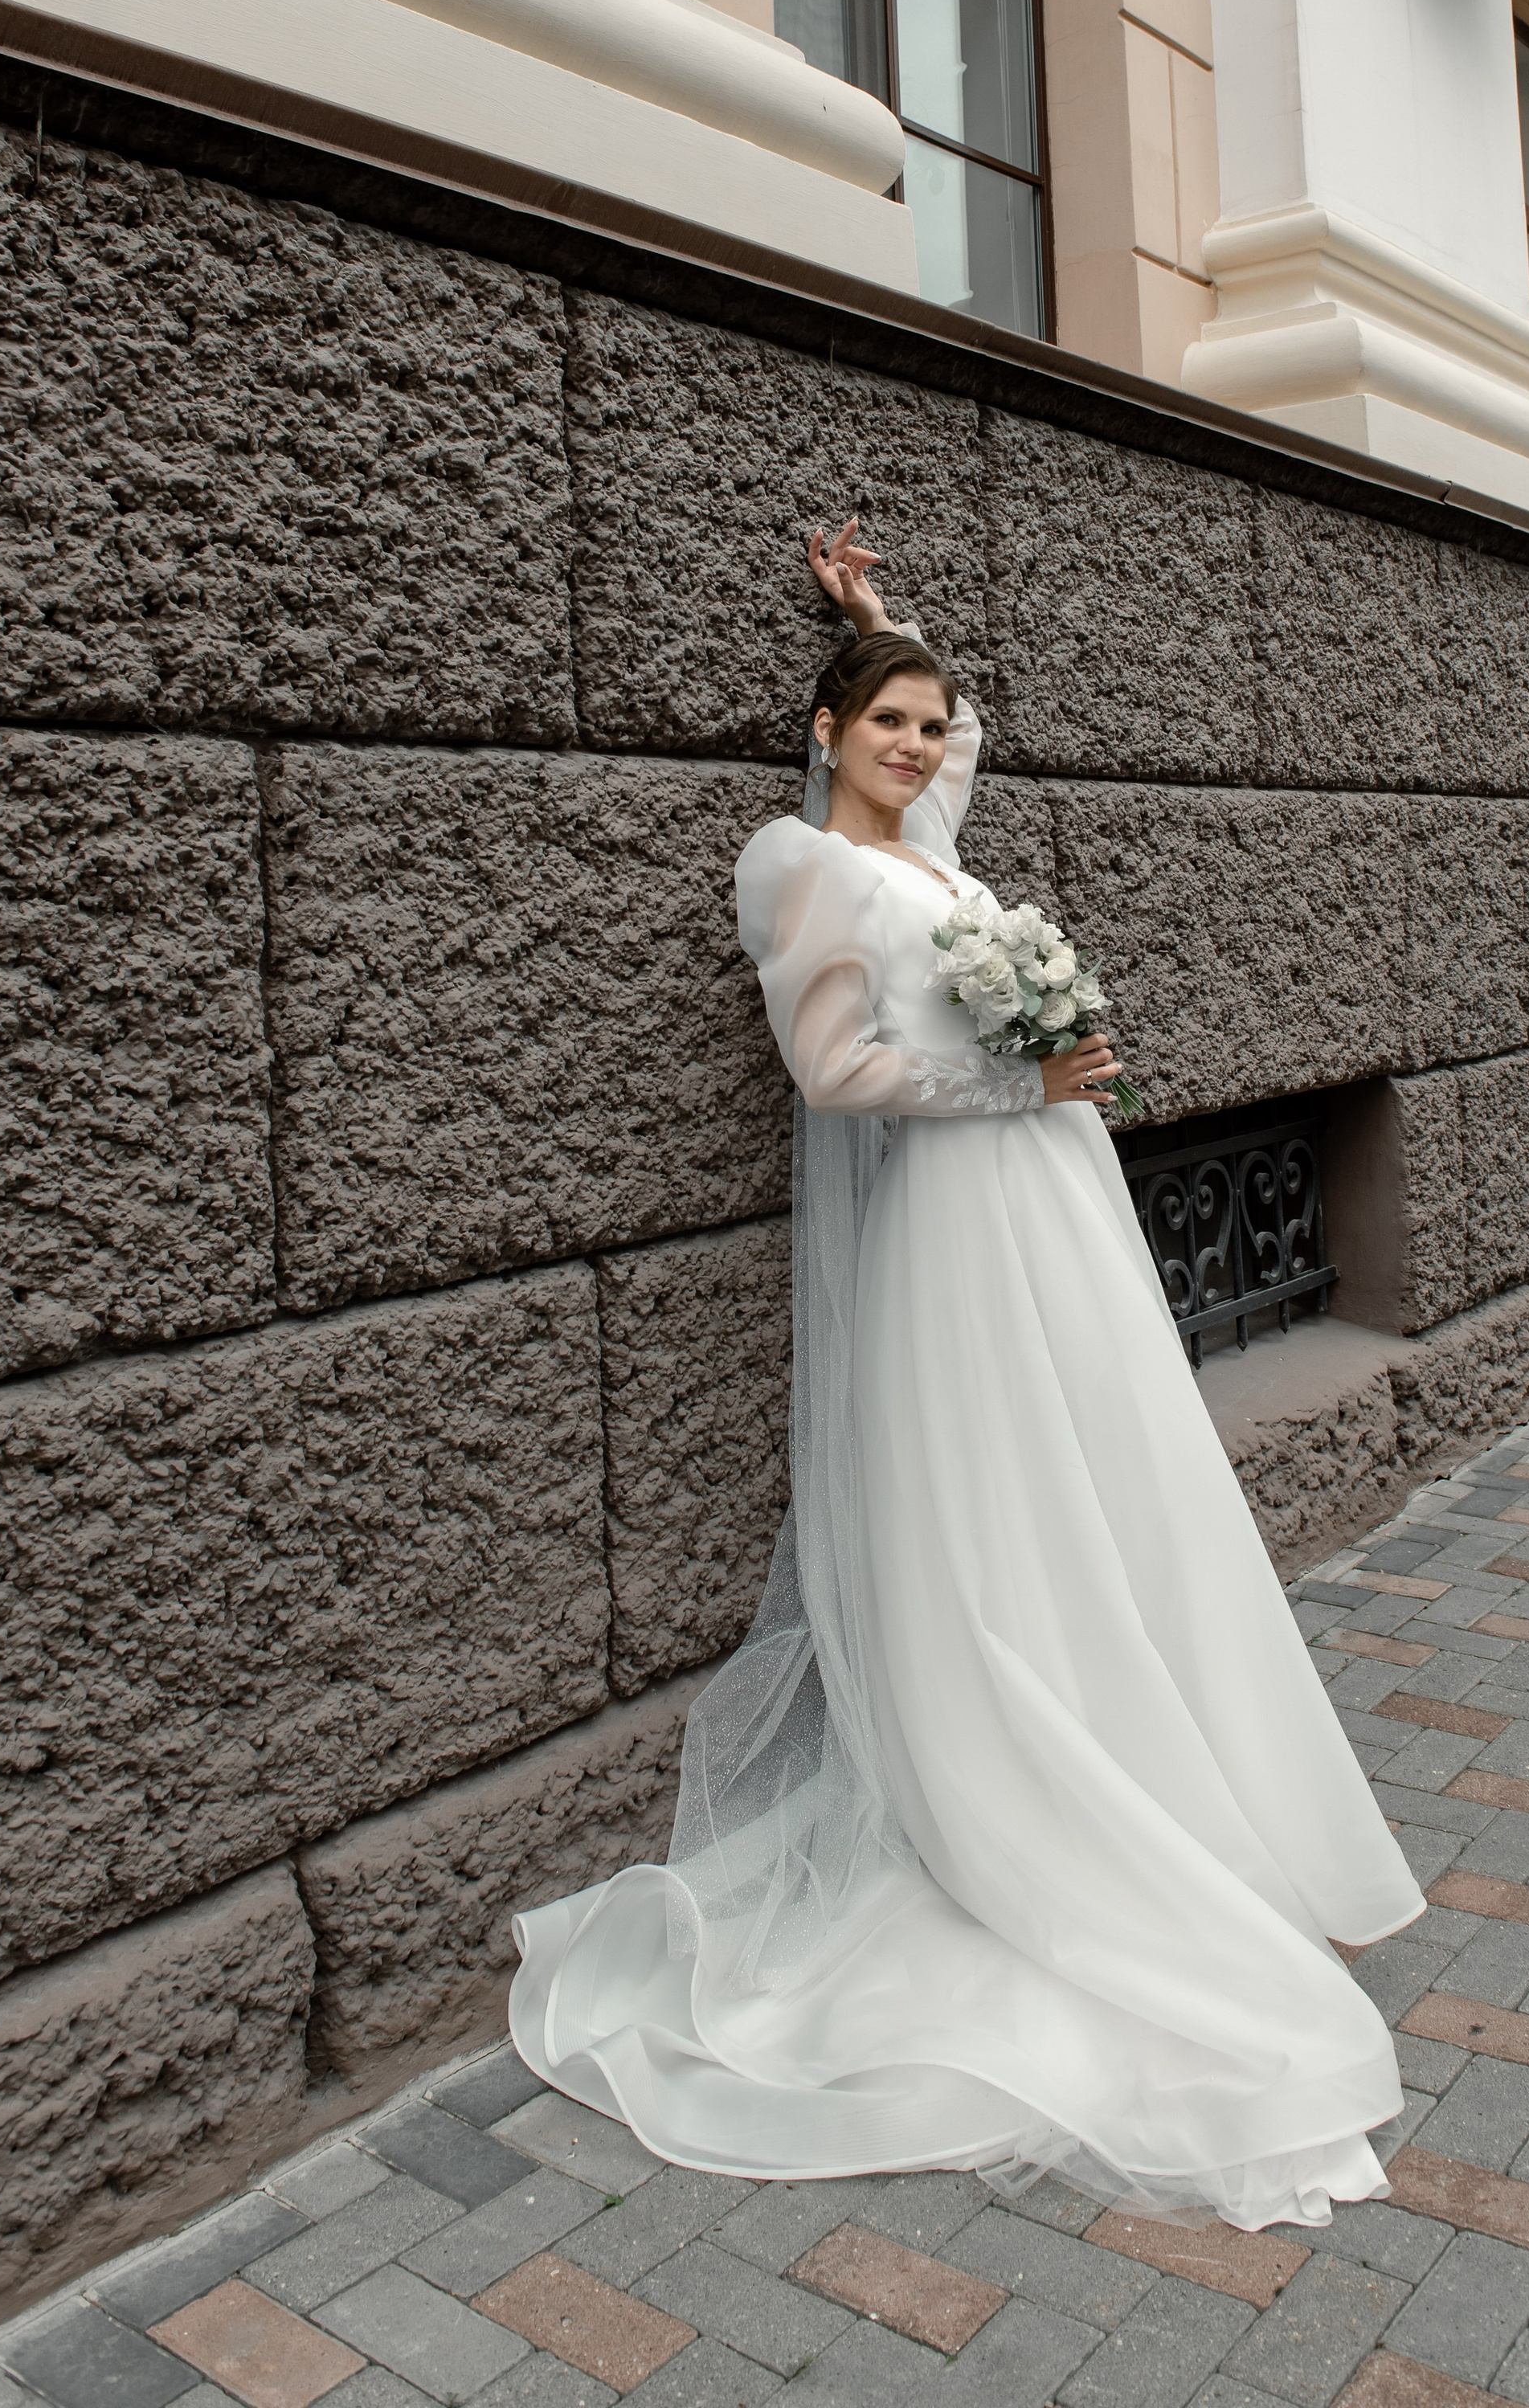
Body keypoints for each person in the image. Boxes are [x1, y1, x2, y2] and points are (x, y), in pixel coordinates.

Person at [511, 524, 1423, 2229]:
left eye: (932, 727)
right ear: (826, 734)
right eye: (889, 724)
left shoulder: (933, 857)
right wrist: (1020, 1084)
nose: (923, 748)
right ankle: (1006, 1780)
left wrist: (879, 618)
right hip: (957, 1207)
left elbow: (958, 751)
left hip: (1047, 1200)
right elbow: (833, 1068)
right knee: (992, 1482)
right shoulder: (799, 864)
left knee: (1097, 1466)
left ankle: (1155, 1755)